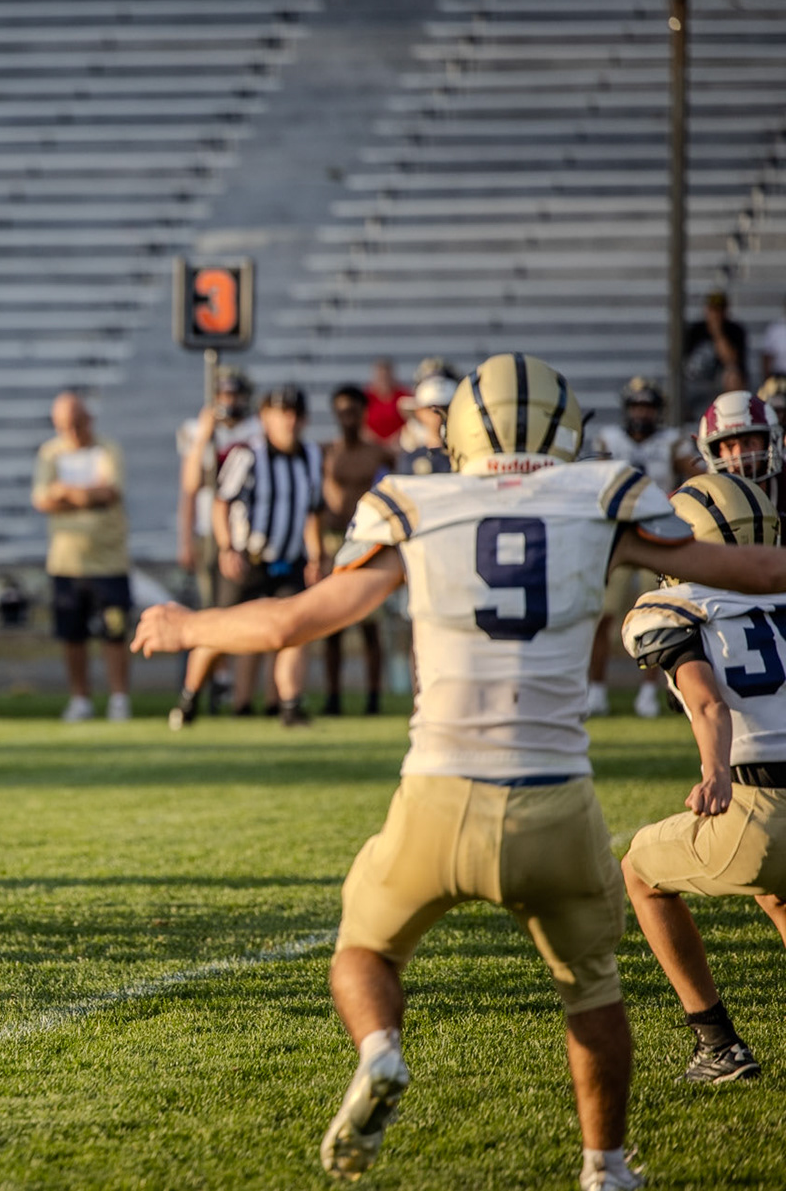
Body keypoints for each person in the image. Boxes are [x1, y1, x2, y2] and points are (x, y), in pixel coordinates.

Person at [133, 351, 786, 1190]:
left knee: (364, 949)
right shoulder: (603, 494)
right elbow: (759, 571)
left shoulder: (412, 501)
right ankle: (605, 1164)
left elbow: (294, 621)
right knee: (591, 991)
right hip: (557, 797)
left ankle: (380, 1051)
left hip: (437, 794)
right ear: (566, 429)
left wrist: (188, 627)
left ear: (458, 432)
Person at [620, 472, 786, 1085]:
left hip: (757, 806)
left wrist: (715, 775)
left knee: (638, 872)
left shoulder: (672, 608)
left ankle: (718, 1045)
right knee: (778, 893)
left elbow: (709, 702)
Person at [170, 385, 324, 729]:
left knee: (296, 630)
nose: (290, 421)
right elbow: (220, 503)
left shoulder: (311, 455)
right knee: (217, 629)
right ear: (265, 417)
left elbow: (313, 511)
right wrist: (228, 547)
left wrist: (316, 555)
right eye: (282, 413)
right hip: (248, 558)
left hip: (289, 559)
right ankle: (189, 698)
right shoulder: (248, 454)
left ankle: (289, 704)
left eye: (295, 414)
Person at [586, 378, 692, 720]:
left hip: (658, 537)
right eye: (636, 406)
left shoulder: (671, 442)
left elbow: (696, 478)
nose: (641, 413)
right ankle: (596, 690)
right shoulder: (608, 439)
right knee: (602, 615)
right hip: (616, 536)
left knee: (659, 617)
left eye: (647, 407)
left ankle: (649, 691)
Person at [32, 391, 131, 721]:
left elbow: (111, 491)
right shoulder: (51, 453)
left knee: (114, 632)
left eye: (77, 424)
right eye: (65, 426)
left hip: (109, 560)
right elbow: (44, 499)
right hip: (67, 563)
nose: (72, 432)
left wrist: (67, 493)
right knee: (73, 636)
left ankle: (119, 698)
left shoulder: (107, 449)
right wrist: (90, 494)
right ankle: (80, 698)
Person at [175, 367, 262, 711]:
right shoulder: (197, 430)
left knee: (236, 608)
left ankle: (235, 686)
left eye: (235, 394)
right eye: (224, 395)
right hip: (207, 530)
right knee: (212, 606)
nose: (230, 402)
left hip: (244, 530)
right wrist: (203, 438)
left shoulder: (255, 430)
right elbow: (190, 486)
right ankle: (216, 680)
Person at [320, 385, 394, 716]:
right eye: (341, 412)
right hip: (333, 537)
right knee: (330, 623)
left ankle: (373, 696)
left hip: (365, 536)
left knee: (369, 622)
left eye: (352, 411)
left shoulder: (378, 453)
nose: (346, 419)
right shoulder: (326, 452)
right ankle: (333, 695)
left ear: (363, 413)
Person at [695, 389, 784, 513]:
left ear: (768, 443)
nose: (739, 454)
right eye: (730, 446)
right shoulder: (703, 502)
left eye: (748, 442)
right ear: (715, 452)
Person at [683, 291, 749, 419]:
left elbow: (731, 360)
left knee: (733, 376)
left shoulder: (734, 330)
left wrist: (717, 332)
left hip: (719, 381)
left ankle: (735, 416)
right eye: (712, 309)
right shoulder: (695, 330)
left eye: (719, 310)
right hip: (696, 379)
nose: (715, 314)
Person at [398, 368, 457, 476]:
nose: (438, 415)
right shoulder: (410, 456)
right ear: (419, 412)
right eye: (431, 408)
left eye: (444, 408)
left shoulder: (464, 453)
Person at [362, 359, 410, 448]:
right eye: (380, 376)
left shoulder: (404, 396)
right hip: (372, 446)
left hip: (398, 446)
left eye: (386, 376)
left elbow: (410, 421)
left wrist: (395, 439)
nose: (384, 380)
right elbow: (361, 424)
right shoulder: (365, 398)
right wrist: (376, 441)